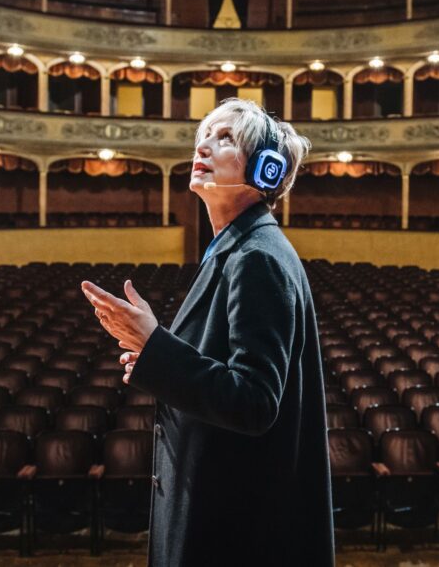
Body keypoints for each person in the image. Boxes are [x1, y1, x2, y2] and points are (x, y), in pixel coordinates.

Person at [81, 98, 334, 566]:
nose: (203, 146)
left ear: (267, 170)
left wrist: (156, 347)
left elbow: (255, 401)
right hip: (226, 506)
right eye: (203, 135)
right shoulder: (236, 249)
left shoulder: (258, 257)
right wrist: (154, 358)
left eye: (225, 139)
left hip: (237, 525)